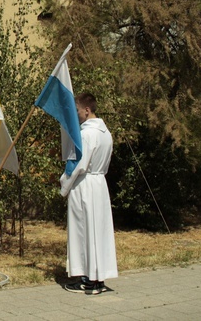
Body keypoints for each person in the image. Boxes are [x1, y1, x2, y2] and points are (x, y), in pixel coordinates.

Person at [62, 93, 118, 294]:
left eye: (77, 110)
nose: (76, 114)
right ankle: (97, 276)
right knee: (97, 231)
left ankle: (87, 278)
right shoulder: (105, 132)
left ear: (87, 110)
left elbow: (77, 164)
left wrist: (64, 185)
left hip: (85, 184)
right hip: (99, 183)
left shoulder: (86, 134)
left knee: (84, 230)